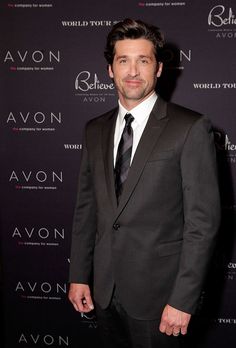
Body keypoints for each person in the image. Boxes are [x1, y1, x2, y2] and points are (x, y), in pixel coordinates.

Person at [68, 18, 220, 348]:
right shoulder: (94, 130)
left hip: (161, 299)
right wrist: (79, 275)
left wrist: (183, 299)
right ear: (110, 69)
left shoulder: (189, 127)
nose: (133, 71)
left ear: (159, 68)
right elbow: (86, 211)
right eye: (123, 60)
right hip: (105, 292)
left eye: (143, 60)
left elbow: (203, 223)